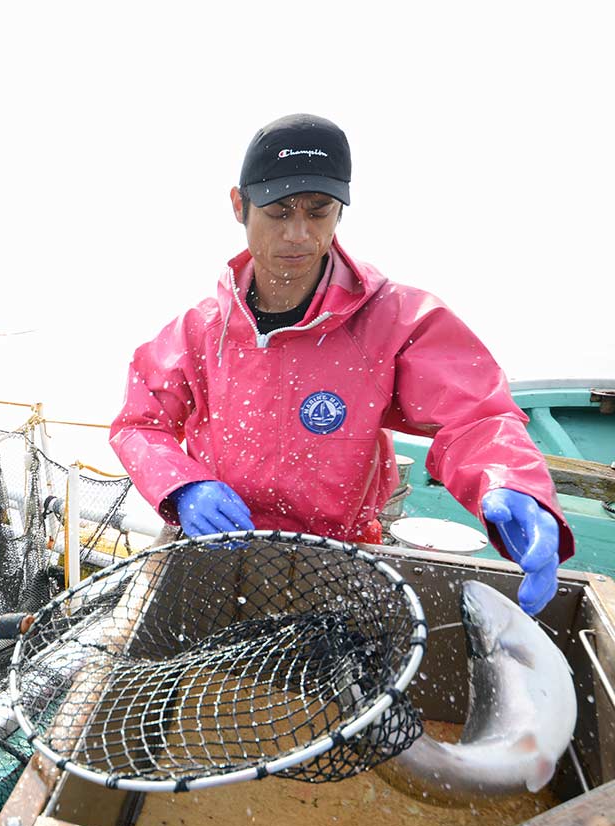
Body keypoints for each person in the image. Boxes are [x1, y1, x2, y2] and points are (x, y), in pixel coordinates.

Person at [110, 113, 573, 615]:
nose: (298, 234)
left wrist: (511, 481)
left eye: (318, 211)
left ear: (339, 212)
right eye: (278, 210)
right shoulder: (199, 331)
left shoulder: (395, 320)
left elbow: (477, 417)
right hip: (212, 547)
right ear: (239, 206)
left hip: (336, 560)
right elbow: (139, 424)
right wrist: (183, 488)